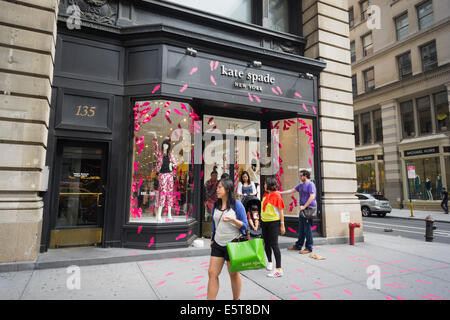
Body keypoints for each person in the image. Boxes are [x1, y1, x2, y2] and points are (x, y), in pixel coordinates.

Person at [207, 178, 249, 300]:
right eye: (217, 187)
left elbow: (245, 225)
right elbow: (214, 223)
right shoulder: (216, 204)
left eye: (220, 187)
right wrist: (212, 237)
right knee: (212, 273)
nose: (217, 190)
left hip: (233, 244)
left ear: (227, 189)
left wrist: (233, 220)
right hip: (218, 244)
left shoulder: (237, 205)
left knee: (233, 274)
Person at [281, 169, 317, 254]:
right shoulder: (300, 185)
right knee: (301, 228)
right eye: (300, 176)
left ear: (306, 176)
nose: (300, 177)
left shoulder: (310, 184)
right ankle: (298, 245)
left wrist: (304, 206)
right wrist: (280, 192)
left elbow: (312, 197)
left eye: (301, 176)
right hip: (302, 209)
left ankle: (309, 248)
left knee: (307, 229)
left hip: (309, 209)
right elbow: (291, 190)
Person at [261, 176, 285, 277]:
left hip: (273, 223)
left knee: (274, 245)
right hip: (264, 222)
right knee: (266, 243)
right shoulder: (266, 195)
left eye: (265, 183)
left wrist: (282, 225)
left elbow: (281, 211)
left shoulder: (276, 196)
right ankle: (270, 262)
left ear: (269, 185)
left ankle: (279, 269)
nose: (264, 185)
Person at [153, 137, 177, 223]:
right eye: (164, 145)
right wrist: (155, 139)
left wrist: (172, 164)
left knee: (169, 193)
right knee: (163, 193)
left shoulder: (171, 156)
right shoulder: (160, 154)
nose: (165, 146)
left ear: (169, 146)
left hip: (169, 175)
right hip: (162, 175)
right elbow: (156, 150)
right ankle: (159, 214)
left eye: (167, 145)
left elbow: (176, 164)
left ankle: (169, 214)